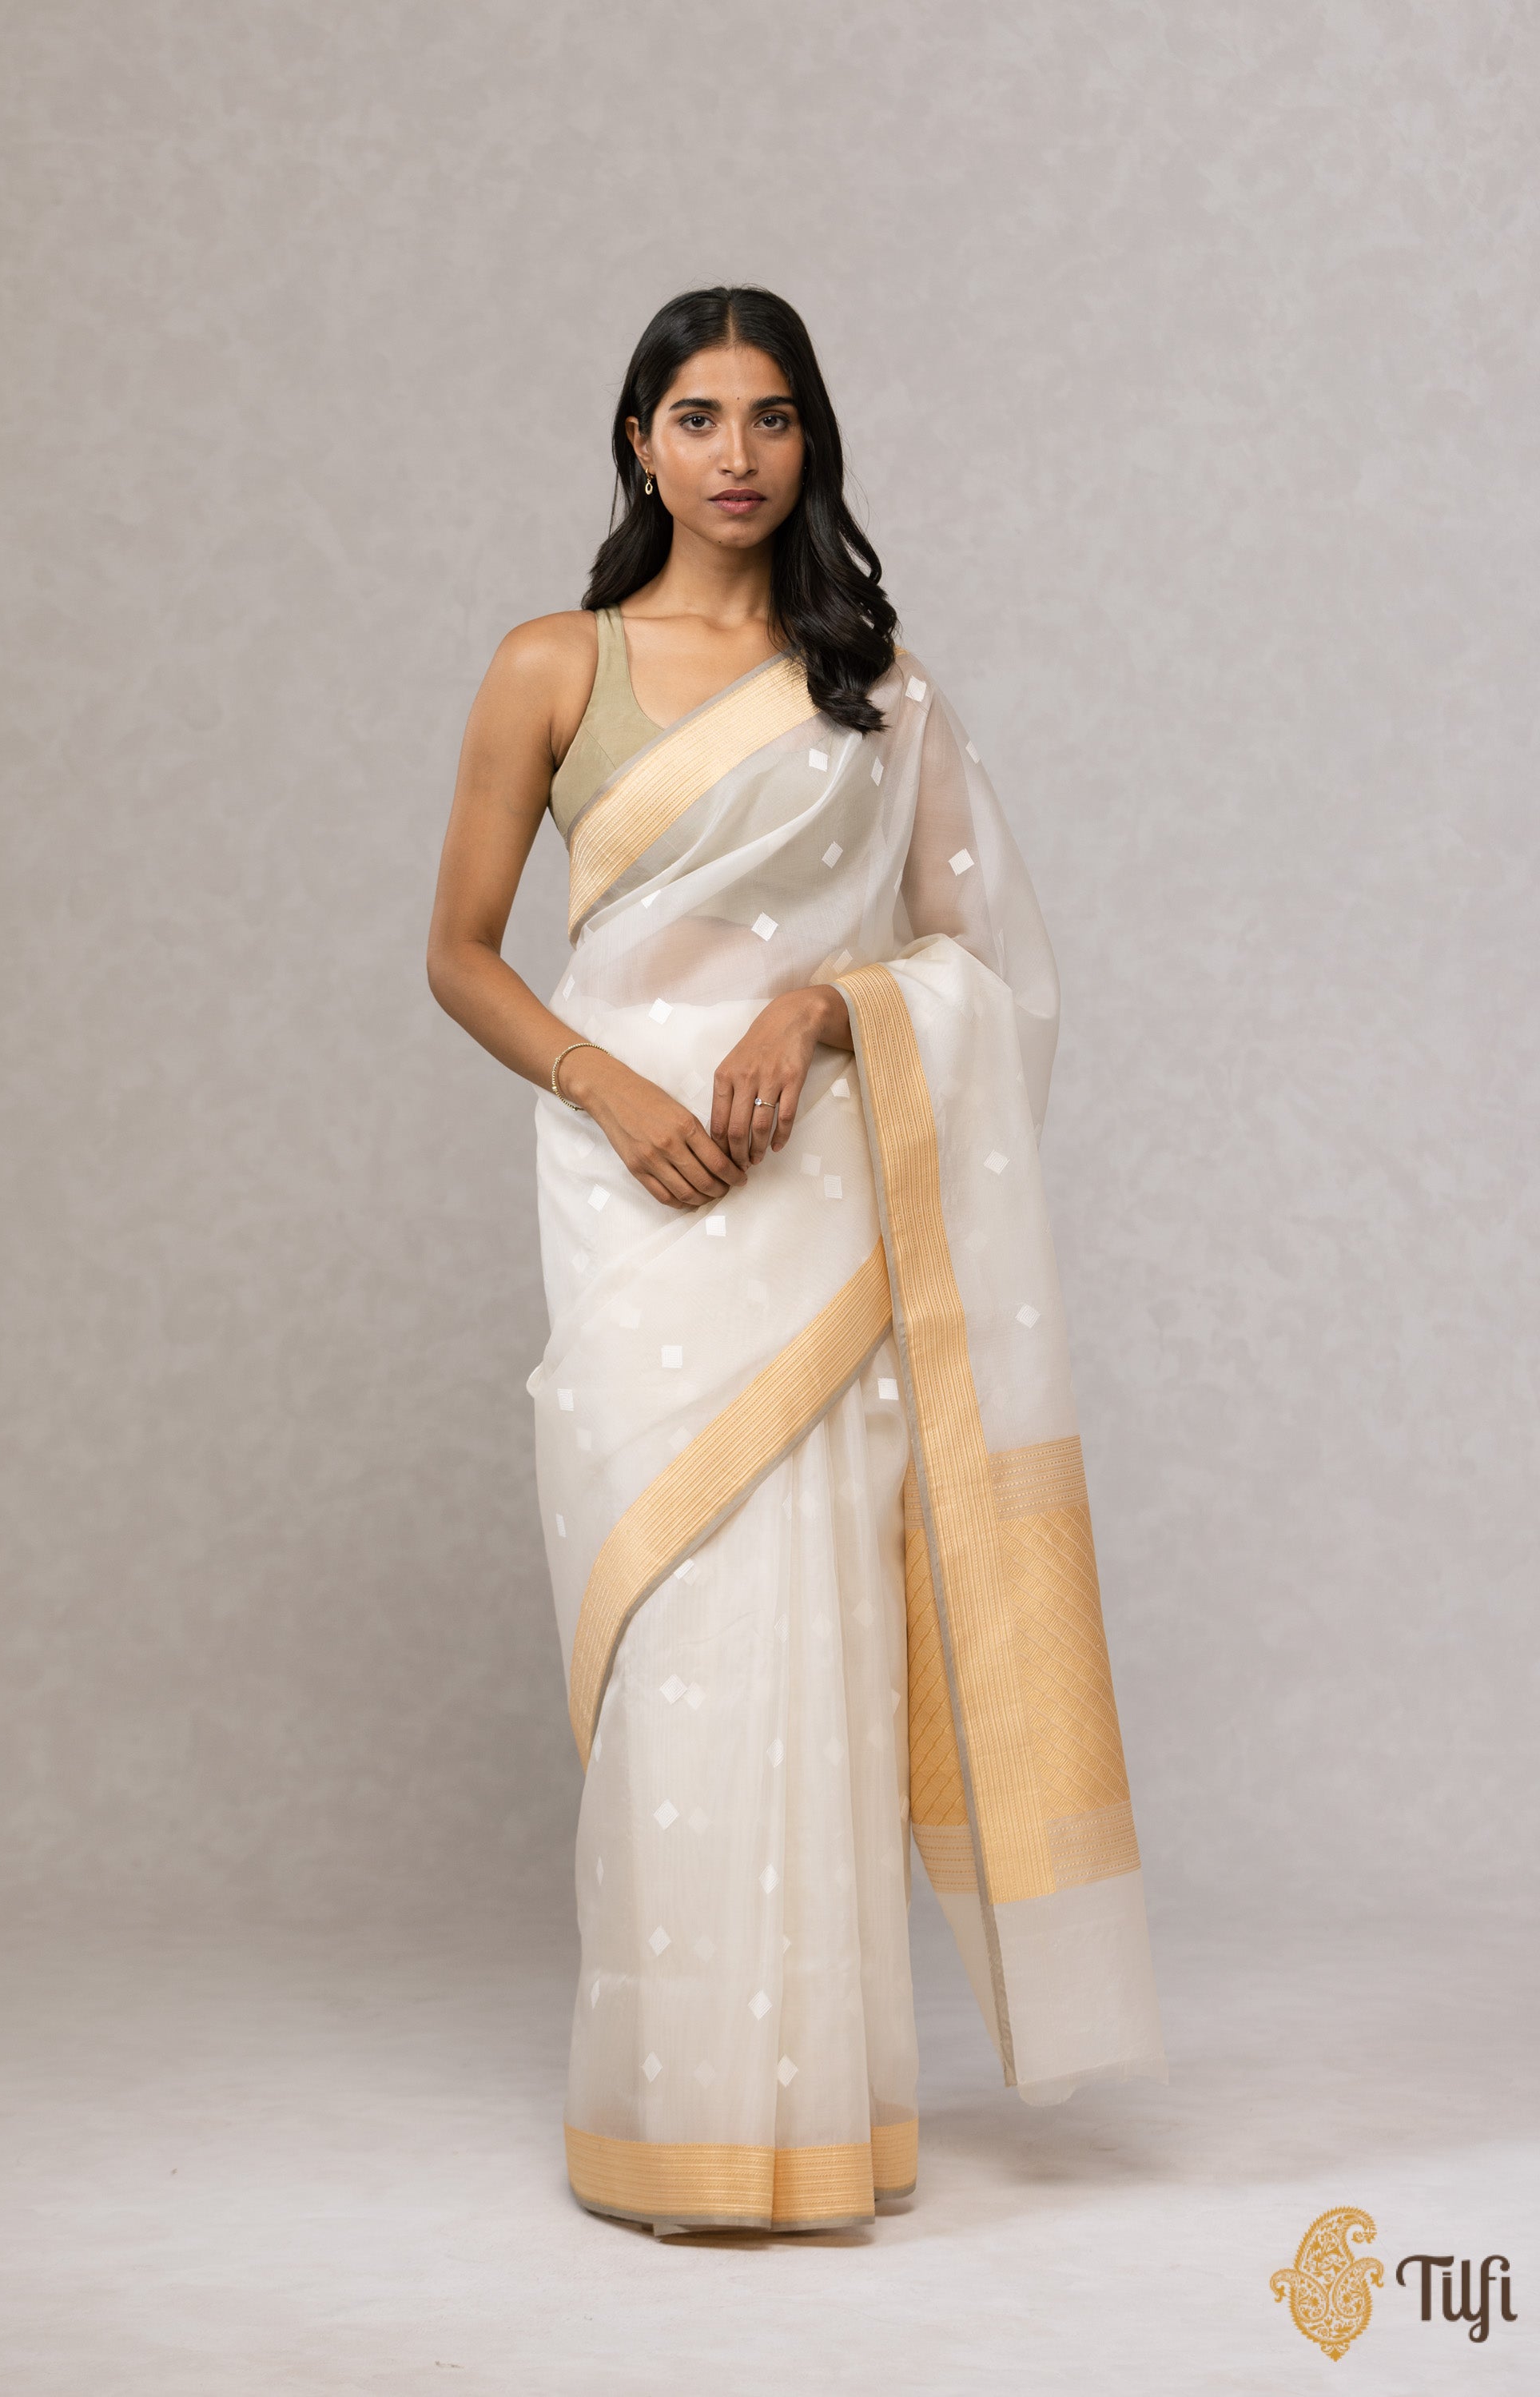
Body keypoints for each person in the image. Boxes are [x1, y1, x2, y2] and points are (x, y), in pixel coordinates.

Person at [427, 285, 1166, 2239]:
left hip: (821, 1199)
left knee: (815, 1634)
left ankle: (816, 2128)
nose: (736, 455)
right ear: (639, 441)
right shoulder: (550, 664)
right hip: (632, 1203)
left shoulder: (875, 688)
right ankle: (676, 2119)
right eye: (696, 416)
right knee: (678, 1645)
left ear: (810, 442)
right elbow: (460, 955)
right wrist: (609, 1089)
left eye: (771, 418)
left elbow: (981, 966)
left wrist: (826, 1011)